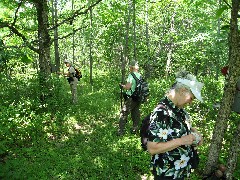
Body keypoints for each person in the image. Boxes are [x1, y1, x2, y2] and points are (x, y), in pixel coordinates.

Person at [147, 70, 204, 180]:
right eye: (191, 98)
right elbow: (152, 148)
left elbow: (177, 130)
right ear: (183, 91)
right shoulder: (161, 112)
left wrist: (194, 133)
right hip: (166, 173)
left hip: (179, 172)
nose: (190, 102)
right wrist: (182, 140)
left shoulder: (180, 111)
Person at [118, 61, 142, 136]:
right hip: (138, 97)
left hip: (131, 98)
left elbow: (128, 87)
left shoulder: (131, 75)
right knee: (135, 113)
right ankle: (135, 129)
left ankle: (121, 131)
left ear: (131, 67)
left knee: (123, 113)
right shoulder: (140, 75)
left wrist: (122, 86)